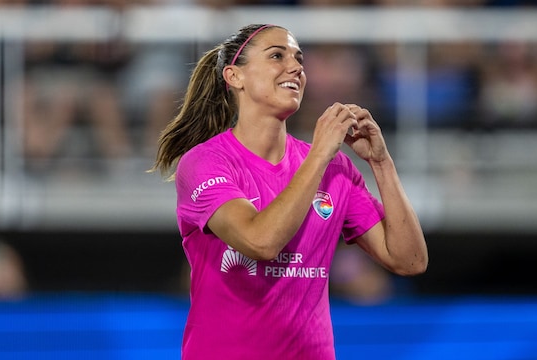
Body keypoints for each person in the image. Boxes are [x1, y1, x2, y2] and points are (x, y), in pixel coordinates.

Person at [149, 24, 428, 360]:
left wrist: (381, 163)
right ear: (235, 76)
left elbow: (409, 259)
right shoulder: (206, 162)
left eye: (299, 59)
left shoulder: (335, 168)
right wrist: (321, 154)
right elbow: (260, 241)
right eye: (277, 56)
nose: (296, 67)